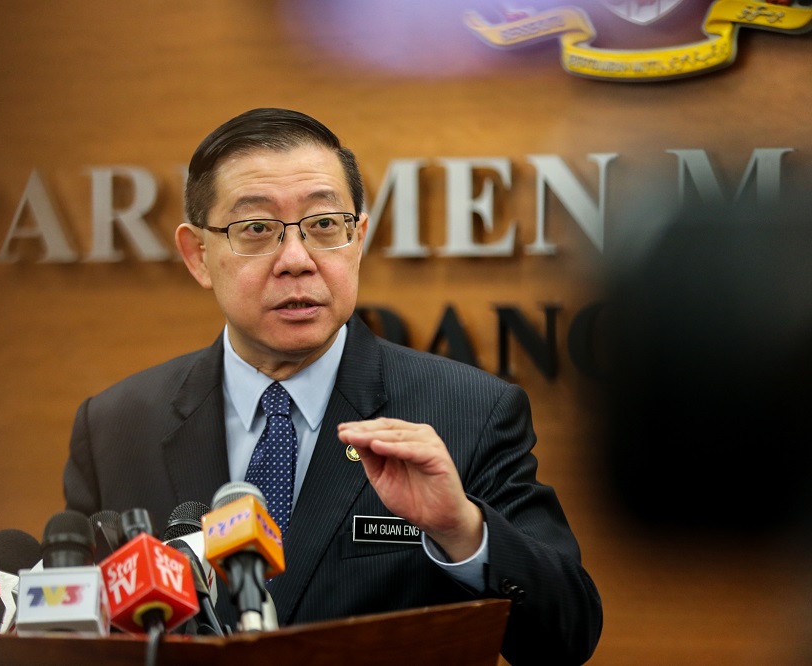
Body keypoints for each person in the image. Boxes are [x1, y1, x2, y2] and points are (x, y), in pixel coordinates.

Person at [64, 107, 602, 665]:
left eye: (324, 226)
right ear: (198, 255)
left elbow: (566, 637)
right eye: (257, 230)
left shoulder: (470, 411)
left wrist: (463, 530)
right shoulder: (116, 427)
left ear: (359, 238)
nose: (296, 260)